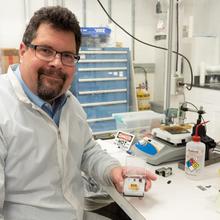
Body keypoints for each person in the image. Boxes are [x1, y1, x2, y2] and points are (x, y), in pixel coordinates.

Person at [0, 6, 157, 220]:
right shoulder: (4, 108)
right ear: (23, 51)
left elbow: (87, 151)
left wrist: (113, 171)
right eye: (45, 50)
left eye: (67, 55)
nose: (56, 63)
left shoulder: (69, 103)